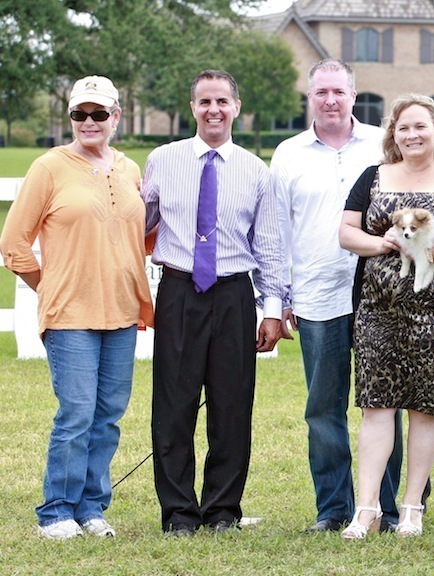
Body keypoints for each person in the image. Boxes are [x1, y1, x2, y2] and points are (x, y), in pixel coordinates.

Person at [1, 75, 154, 539]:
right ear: (70, 117)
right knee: (76, 414)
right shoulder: (49, 167)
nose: (89, 122)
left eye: (99, 113)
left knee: (108, 416)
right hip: (69, 316)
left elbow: (138, 238)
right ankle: (57, 511)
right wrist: (48, 286)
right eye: (79, 114)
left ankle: (91, 507)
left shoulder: (129, 169)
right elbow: (13, 243)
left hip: (123, 312)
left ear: (116, 118)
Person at [141, 70, 286, 536]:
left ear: (236, 108)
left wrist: (271, 309)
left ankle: (223, 510)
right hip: (180, 290)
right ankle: (179, 513)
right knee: (174, 405)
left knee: (231, 406)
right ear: (193, 108)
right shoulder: (163, 160)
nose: (214, 110)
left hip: (232, 294)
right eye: (205, 102)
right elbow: (136, 224)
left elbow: (268, 246)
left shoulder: (255, 170)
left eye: (222, 101)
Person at [337, 94, 434, 539]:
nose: (412, 135)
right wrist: (384, 244)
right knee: (375, 409)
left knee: (425, 411)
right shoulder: (372, 177)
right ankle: (366, 510)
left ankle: (411, 508)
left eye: (421, 126)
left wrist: (429, 248)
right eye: (403, 128)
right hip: (377, 312)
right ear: (393, 135)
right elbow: (346, 232)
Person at [271, 58, 407, 533]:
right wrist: (278, 296)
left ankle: (386, 510)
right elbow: (277, 232)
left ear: (354, 95)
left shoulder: (382, 145)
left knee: (384, 403)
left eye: (339, 92)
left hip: (381, 295)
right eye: (320, 92)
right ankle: (332, 509)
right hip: (316, 295)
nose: (330, 100)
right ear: (309, 97)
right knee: (323, 407)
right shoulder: (288, 153)